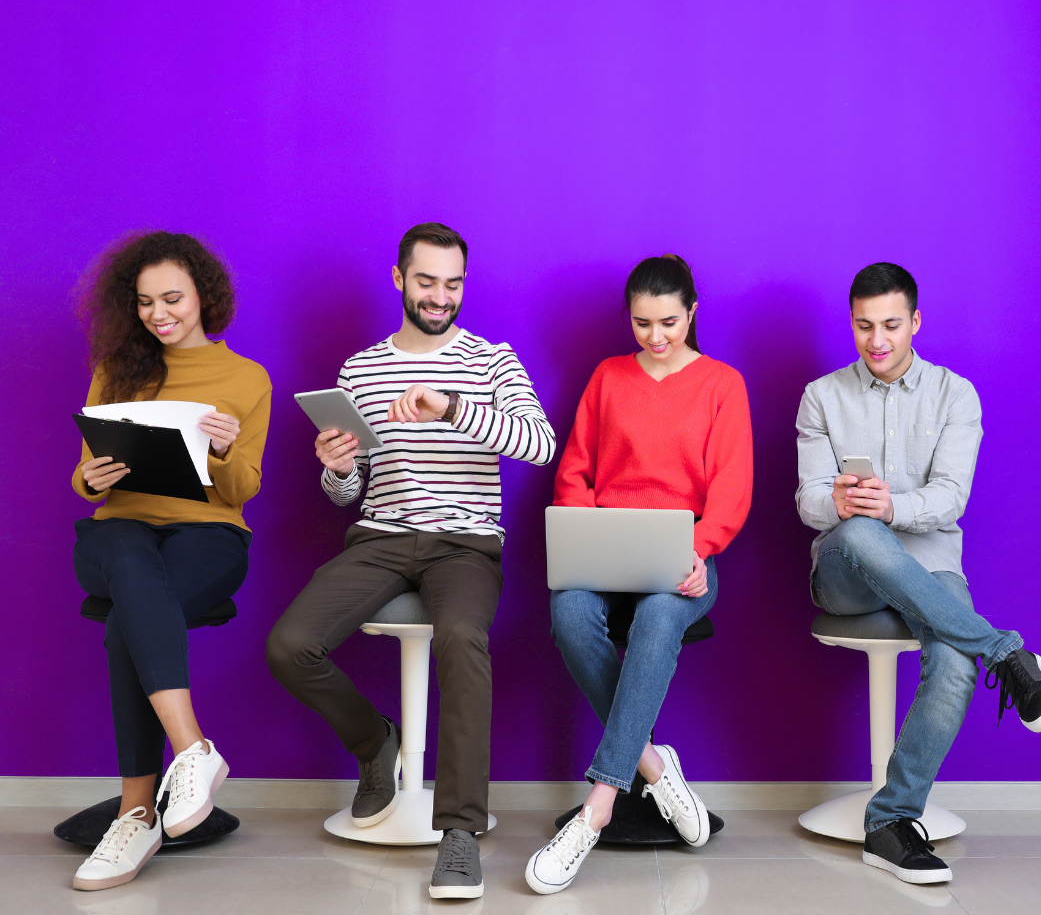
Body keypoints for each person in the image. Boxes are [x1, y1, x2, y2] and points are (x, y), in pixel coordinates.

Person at [266, 222, 555, 900]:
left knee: (461, 636)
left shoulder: (492, 361)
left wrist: (451, 407)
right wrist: (336, 469)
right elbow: (349, 491)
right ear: (399, 279)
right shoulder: (361, 371)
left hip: (466, 542)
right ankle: (376, 744)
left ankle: (459, 833)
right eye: (426, 282)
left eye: (453, 284)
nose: (440, 296)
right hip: (381, 536)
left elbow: (539, 444)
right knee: (289, 645)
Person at [796, 262, 1041, 886]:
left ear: (916, 321)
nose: (877, 340)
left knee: (953, 661)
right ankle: (1008, 654)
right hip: (845, 575)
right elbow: (807, 506)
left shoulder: (956, 395)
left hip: (932, 567)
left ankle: (890, 823)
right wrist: (838, 501)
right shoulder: (822, 396)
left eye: (891, 324)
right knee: (860, 530)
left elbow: (950, 499)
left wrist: (894, 505)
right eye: (864, 326)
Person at [525, 255, 753, 895]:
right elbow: (574, 472)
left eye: (670, 322)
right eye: (643, 323)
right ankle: (655, 766)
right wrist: (580, 535)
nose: (656, 337)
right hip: (604, 552)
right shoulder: (607, 377)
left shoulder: (721, 385)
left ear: (693, 312)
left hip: (684, 562)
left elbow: (732, 492)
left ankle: (594, 809)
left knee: (657, 617)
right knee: (567, 613)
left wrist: (698, 549)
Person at [69, 231, 271, 891]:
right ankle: (192, 751)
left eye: (174, 299)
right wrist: (94, 478)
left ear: (204, 297)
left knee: (130, 615)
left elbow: (243, 487)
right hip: (119, 527)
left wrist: (221, 450)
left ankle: (136, 812)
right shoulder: (116, 371)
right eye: (147, 301)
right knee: (128, 554)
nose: (160, 313)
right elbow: (82, 478)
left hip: (207, 535)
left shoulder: (247, 378)